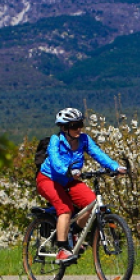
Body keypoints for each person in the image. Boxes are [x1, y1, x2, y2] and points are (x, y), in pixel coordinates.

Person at [36, 108, 126, 264]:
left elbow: (98, 154)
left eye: (80, 124)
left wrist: (115, 167)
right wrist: (67, 170)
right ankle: (62, 249)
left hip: (69, 180)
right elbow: (55, 161)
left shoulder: (84, 139)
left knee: (91, 203)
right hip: (49, 179)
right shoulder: (55, 140)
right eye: (74, 126)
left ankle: (73, 232)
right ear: (64, 128)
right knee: (65, 209)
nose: (79, 129)